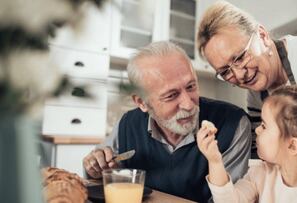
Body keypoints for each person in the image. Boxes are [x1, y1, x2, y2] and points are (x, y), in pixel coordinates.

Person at [83, 41, 252, 202]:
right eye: (171, 95)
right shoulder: (128, 124)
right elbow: (97, 178)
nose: (188, 104)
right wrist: (95, 168)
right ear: (142, 102)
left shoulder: (233, 124)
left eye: (191, 86)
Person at [196, 0, 297, 163]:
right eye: (225, 71)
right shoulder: (257, 95)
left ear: (262, 35)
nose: (239, 75)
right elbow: (263, 151)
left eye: (240, 57)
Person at [197, 85, 297, 203]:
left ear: (292, 146)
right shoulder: (260, 174)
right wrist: (215, 160)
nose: (258, 131)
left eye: (264, 125)